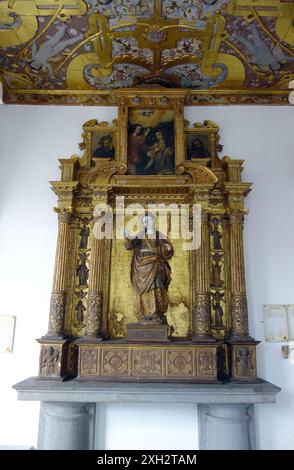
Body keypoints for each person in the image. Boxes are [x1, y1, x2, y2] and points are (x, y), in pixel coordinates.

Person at [125, 214, 174, 324]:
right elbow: (129, 245)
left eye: (149, 221)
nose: (147, 223)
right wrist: (127, 237)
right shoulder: (140, 235)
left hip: (156, 265)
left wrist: (167, 249)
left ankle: (157, 313)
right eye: (145, 222)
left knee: (157, 287)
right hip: (141, 267)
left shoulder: (159, 235)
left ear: (153, 222)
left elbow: (168, 249)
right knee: (144, 292)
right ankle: (145, 314)